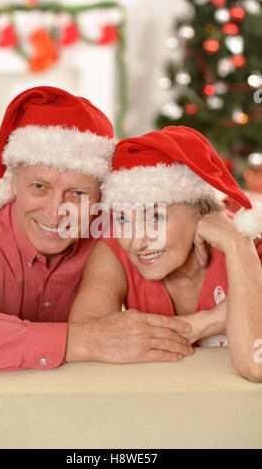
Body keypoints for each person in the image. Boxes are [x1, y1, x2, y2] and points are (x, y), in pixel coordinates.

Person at [0, 88, 193, 374]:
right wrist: (83, 340)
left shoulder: (120, 225)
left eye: (78, 193)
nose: (56, 212)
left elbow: (186, 212)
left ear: (101, 197)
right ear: (13, 180)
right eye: (39, 186)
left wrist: (210, 224)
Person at [69, 126, 262, 382]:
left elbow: (256, 366)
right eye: (123, 219)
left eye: (156, 217)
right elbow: (85, 340)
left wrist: (238, 245)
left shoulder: (250, 245)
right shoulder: (113, 251)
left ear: (202, 209)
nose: (136, 243)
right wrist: (212, 319)